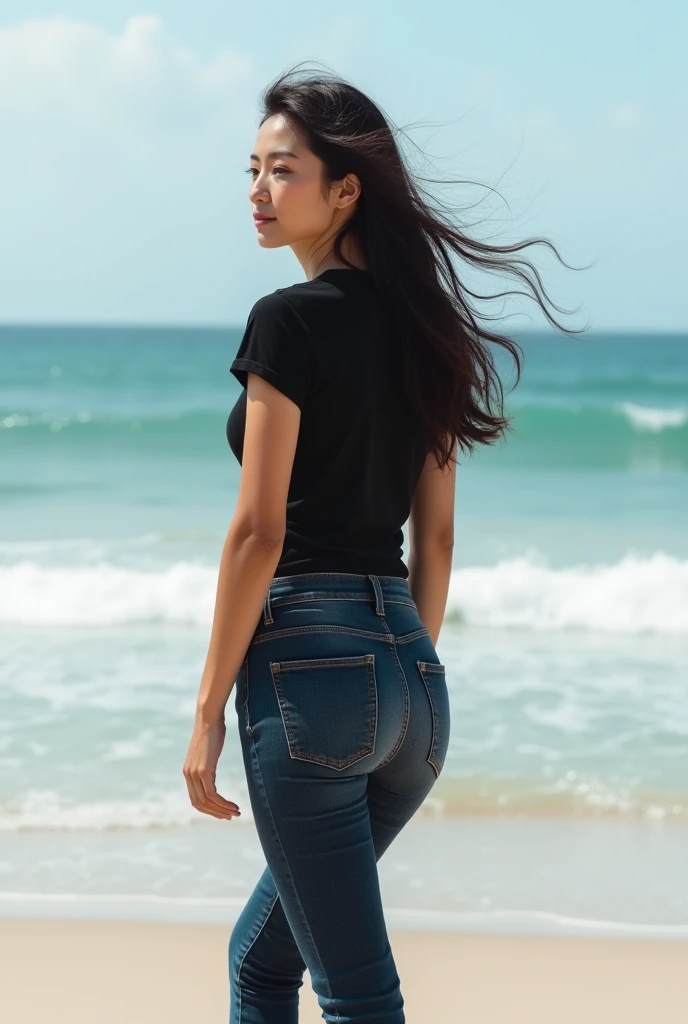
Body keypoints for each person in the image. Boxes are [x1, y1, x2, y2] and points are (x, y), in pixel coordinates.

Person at [183, 64, 588, 1023]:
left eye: (282, 171)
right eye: (253, 169)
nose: (257, 191)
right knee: (260, 961)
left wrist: (205, 710)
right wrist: (406, 667)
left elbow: (258, 530)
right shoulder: (431, 334)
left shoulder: (285, 322)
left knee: (358, 997)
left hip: (313, 677)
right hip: (414, 690)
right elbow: (435, 537)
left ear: (345, 188)